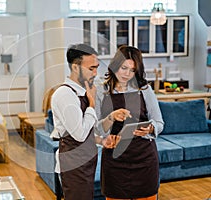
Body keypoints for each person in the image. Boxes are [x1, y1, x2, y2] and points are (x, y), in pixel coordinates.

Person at [50, 43, 121, 200]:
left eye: (96, 67)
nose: (95, 73)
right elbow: (80, 135)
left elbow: (90, 129)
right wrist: (92, 104)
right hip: (73, 164)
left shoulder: (84, 92)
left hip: (86, 162)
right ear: (75, 67)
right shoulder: (65, 95)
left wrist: (102, 140)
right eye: (91, 68)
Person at [95, 45, 164, 200]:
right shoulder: (101, 90)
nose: (127, 74)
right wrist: (111, 117)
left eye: (132, 70)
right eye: (123, 68)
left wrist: (150, 128)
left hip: (144, 158)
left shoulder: (144, 89)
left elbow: (159, 122)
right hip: (115, 160)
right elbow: (96, 129)